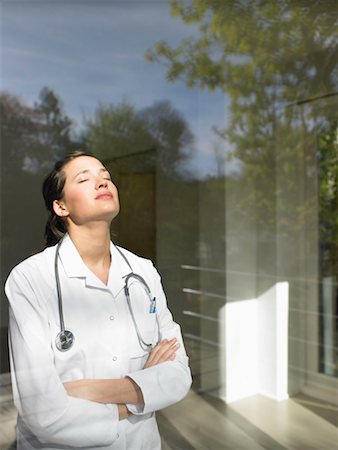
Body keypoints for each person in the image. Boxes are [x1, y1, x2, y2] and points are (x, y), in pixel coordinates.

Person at [5, 151, 192, 450]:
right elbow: (42, 411)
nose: (102, 182)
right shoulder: (30, 279)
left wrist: (89, 390)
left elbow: (178, 375)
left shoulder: (143, 271)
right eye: (85, 178)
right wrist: (143, 390)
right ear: (60, 206)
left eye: (105, 176)